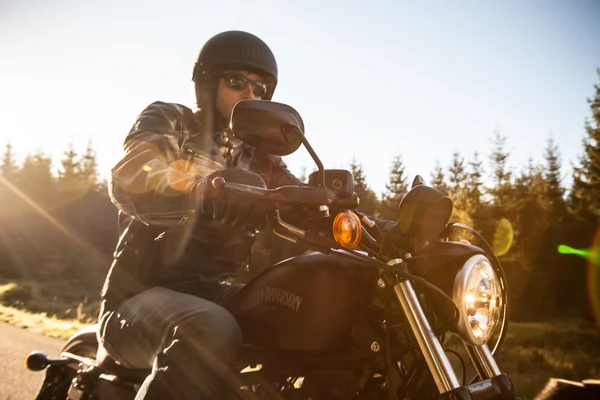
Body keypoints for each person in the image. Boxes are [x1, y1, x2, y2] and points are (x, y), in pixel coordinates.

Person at [97, 30, 304, 400]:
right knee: (212, 327)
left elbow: (302, 204)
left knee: (295, 311)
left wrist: (387, 229)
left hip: (212, 293)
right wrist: (203, 186)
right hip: (135, 300)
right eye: (237, 81)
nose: (249, 95)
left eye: (260, 88)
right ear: (208, 83)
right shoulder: (171, 120)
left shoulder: (262, 161)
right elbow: (134, 173)